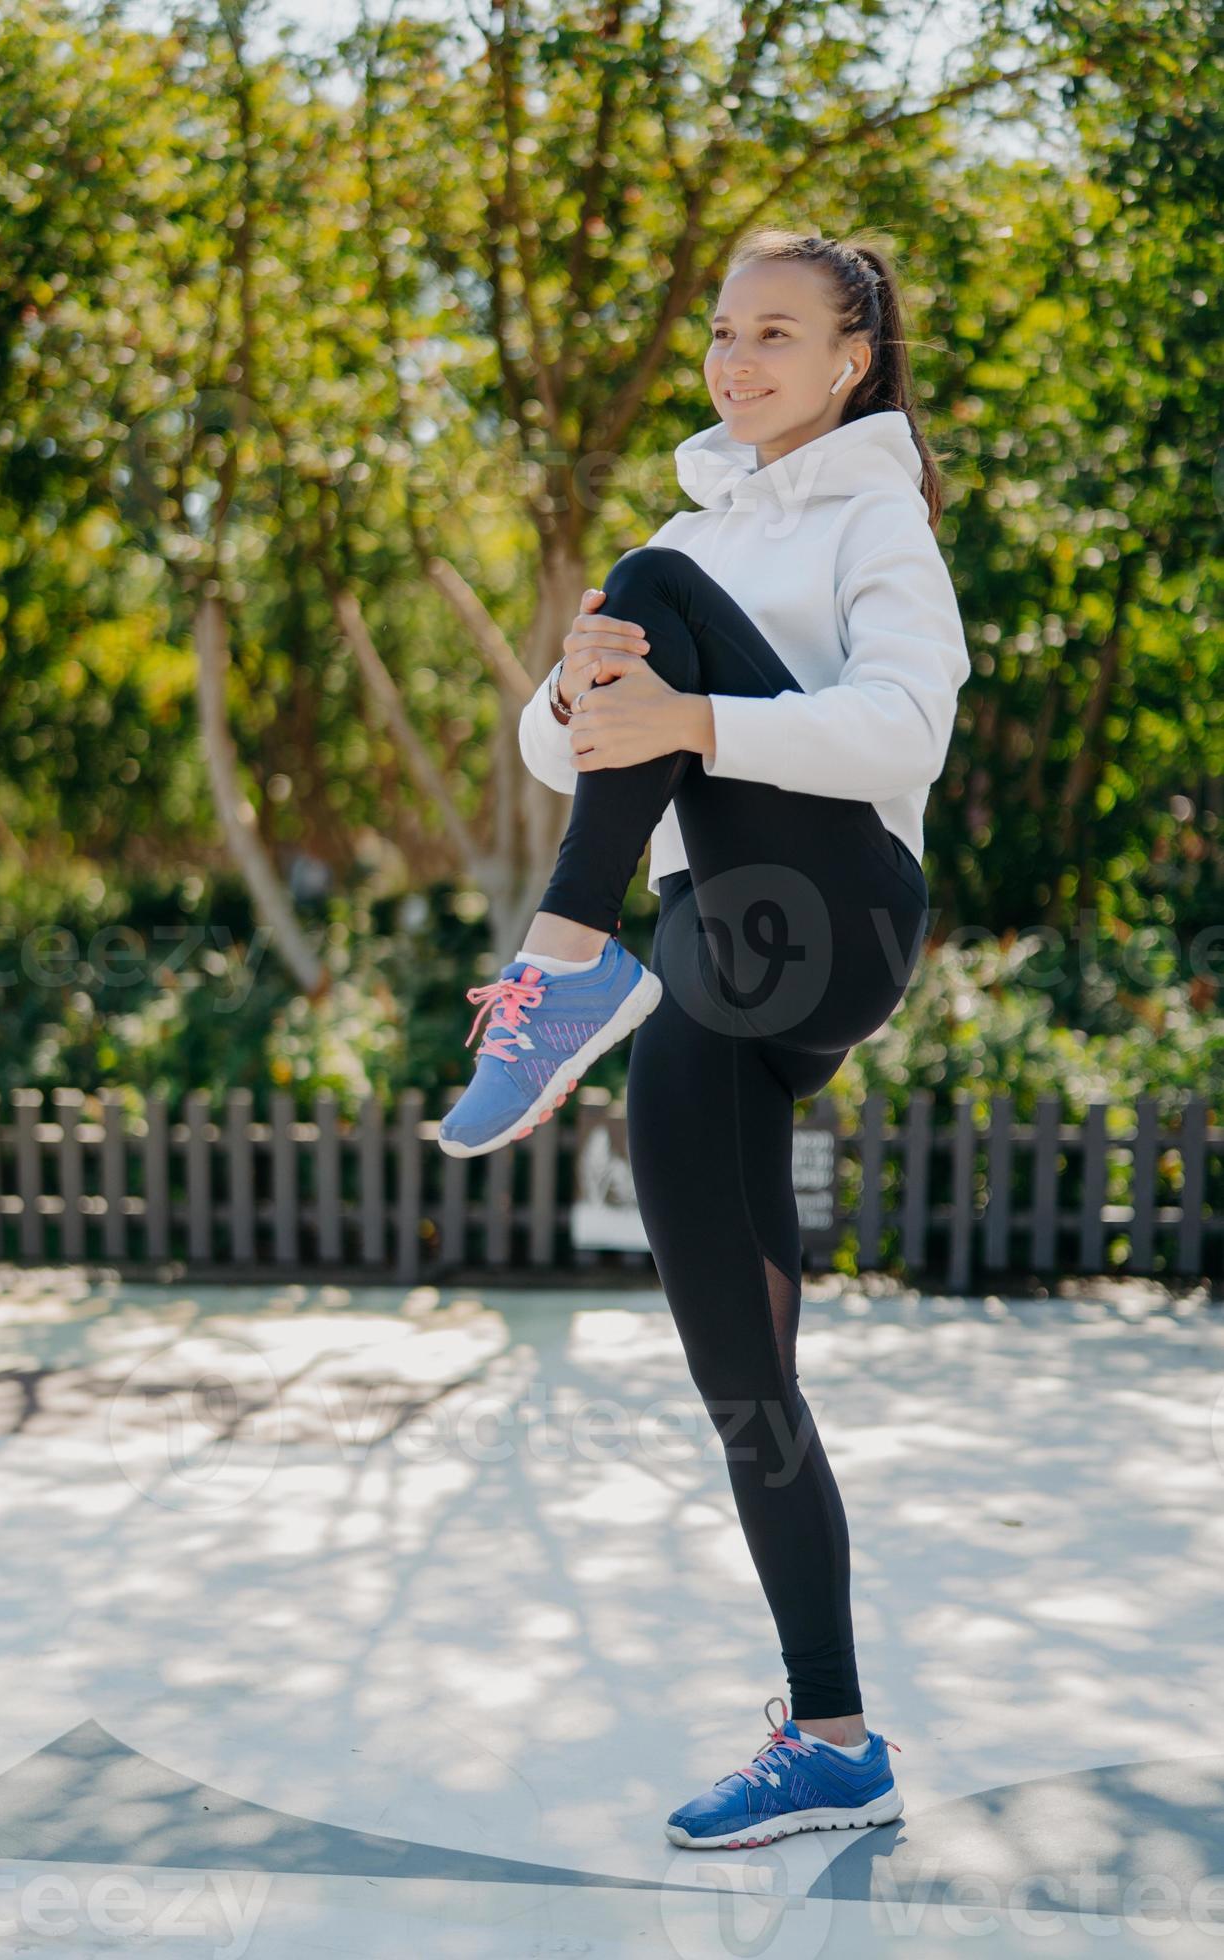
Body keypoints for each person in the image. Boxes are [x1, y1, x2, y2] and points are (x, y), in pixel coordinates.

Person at [438, 229, 970, 1851]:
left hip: (840, 917)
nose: (739, 363)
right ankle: (834, 1739)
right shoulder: (688, 526)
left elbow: (908, 724)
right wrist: (584, 681)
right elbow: (559, 752)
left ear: (850, 360)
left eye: (779, 335)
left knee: (656, 589)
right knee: (745, 1383)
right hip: (713, 974)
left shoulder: (878, 516)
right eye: (726, 334)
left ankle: (560, 964)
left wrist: (689, 711)